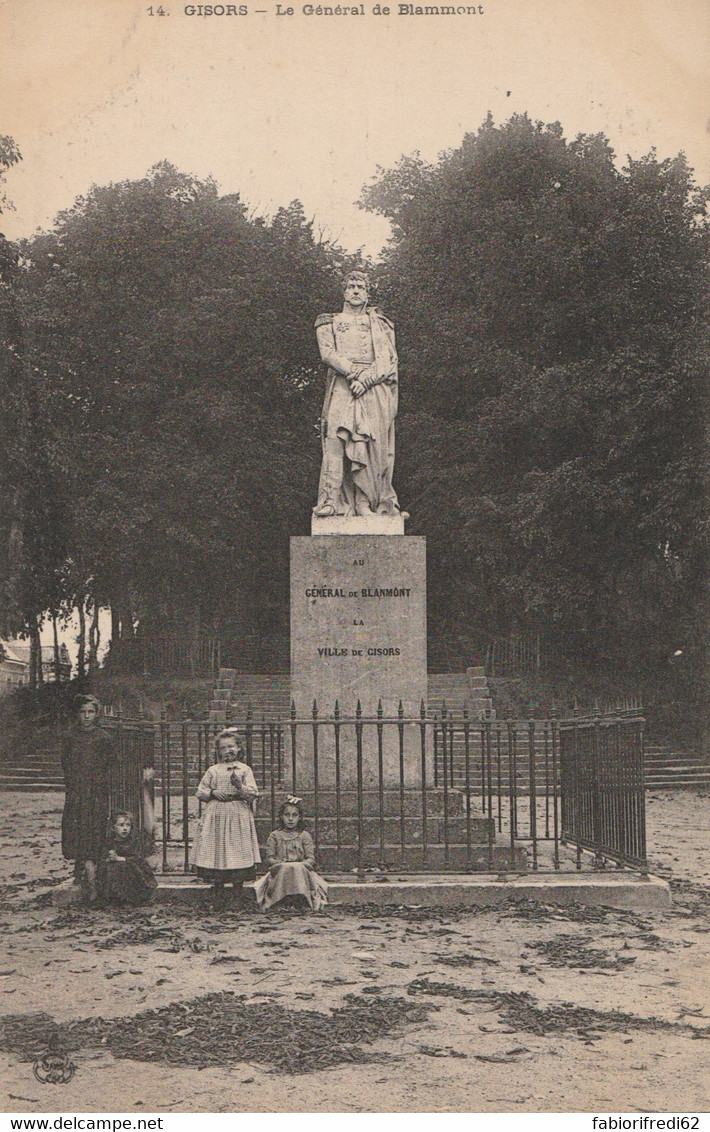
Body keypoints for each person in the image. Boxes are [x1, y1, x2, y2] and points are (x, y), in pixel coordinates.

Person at [313, 271, 406, 519]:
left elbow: (388, 360)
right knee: (335, 438)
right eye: (351, 286)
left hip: (374, 386)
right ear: (344, 291)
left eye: (361, 287)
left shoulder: (381, 324)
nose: (355, 290)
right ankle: (331, 500)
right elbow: (327, 353)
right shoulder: (328, 321)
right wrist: (354, 373)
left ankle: (367, 503)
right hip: (343, 384)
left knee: (372, 444)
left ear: (367, 292)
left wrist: (366, 379)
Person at [193, 729, 261, 909]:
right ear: (218, 751)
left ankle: (237, 893)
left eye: (231, 746)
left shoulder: (245, 770)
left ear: (239, 748)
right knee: (218, 849)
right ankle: (218, 892)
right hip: (216, 814)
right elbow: (200, 791)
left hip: (237, 813)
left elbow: (253, 794)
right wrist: (214, 792)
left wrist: (240, 786)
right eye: (223, 748)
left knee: (237, 850)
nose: (228, 750)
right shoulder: (213, 770)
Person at [61, 695, 116, 903]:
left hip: (97, 790)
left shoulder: (103, 737)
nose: (86, 716)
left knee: (94, 826)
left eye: (91, 712)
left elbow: (110, 763)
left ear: (96, 714)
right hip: (77, 790)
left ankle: (94, 869)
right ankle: (79, 866)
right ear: (77, 714)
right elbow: (65, 763)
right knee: (76, 827)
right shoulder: (70, 736)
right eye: (83, 712)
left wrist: (101, 784)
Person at [254, 797, 329, 912]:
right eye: (287, 815)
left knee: (297, 868)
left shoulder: (304, 835)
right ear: (281, 817)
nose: (290, 819)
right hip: (280, 870)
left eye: (294, 815)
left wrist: (301, 864)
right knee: (286, 868)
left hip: (301, 870)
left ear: (299, 817)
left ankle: (301, 900)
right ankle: (280, 900)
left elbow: (310, 858)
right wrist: (282, 864)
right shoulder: (275, 835)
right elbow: (269, 858)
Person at [97, 810, 157, 906]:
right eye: (121, 825)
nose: (125, 828)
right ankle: (114, 898)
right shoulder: (110, 843)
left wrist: (122, 859)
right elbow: (103, 858)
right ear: (113, 828)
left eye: (128, 825)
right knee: (110, 868)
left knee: (124, 867)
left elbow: (138, 859)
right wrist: (109, 857)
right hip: (116, 872)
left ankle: (130, 898)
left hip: (133, 870)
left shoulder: (134, 842)